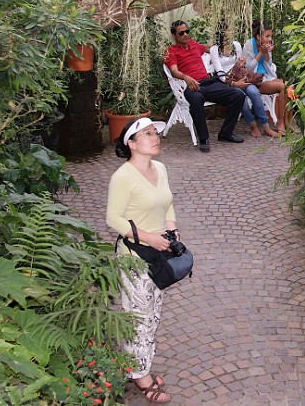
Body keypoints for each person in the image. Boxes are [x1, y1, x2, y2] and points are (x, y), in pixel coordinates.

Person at [106, 117, 177, 404]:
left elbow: (168, 202)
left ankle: (138, 364)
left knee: (152, 313)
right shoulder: (122, 177)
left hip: (158, 254)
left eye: (155, 132)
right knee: (139, 317)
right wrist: (149, 237)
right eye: (146, 133)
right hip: (134, 257)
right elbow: (113, 218)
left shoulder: (159, 168)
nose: (155, 137)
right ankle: (141, 376)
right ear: (131, 144)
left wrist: (171, 229)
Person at [163, 20, 246, 153]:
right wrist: (186, 77)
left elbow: (212, 49)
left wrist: (225, 46)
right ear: (174, 35)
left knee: (238, 95)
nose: (185, 34)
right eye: (181, 32)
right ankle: (203, 139)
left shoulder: (194, 45)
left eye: (186, 31)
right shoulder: (171, 51)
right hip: (189, 86)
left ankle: (226, 133)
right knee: (196, 99)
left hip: (208, 83)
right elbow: (174, 71)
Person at [209, 31, 279, 139]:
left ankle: (266, 126)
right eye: (228, 30)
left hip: (241, 77)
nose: (231, 32)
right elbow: (220, 73)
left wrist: (241, 64)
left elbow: (243, 65)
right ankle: (252, 124)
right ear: (221, 32)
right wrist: (234, 84)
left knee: (254, 92)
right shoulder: (214, 49)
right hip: (226, 81)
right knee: (240, 97)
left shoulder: (236, 45)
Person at [243, 20, 290, 134]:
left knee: (289, 86)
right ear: (258, 36)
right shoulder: (249, 45)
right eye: (267, 36)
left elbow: (269, 65)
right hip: (256, 80)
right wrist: (260, 53)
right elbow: (248, 68)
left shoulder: (266, 46)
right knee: (282, 87)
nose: (270, 39)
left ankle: (286, 120)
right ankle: (280, 123)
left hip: (267, 76)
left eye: (270, 36)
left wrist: (267, 52)